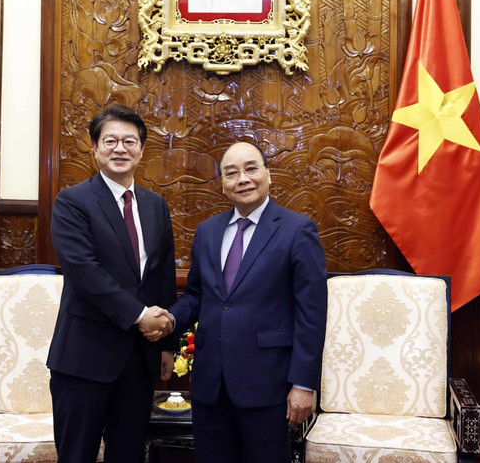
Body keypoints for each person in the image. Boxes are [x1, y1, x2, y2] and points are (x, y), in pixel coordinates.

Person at [165, 141, 328, 463]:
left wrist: (304, 384)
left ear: (268, 175)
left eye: (251, 168)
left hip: (268, 384)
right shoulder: (208, 231)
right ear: (222, 184)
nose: (243, 179)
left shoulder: (297, 230)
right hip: (210, 384)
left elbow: (312, 314)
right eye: (231, 173)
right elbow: (196, 295)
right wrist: (169, 321)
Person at [47, 104, 176, 463]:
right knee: (77, 455)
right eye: (111, 141)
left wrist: (167, 344)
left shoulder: (155, 205)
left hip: (138, 360)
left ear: (141, 150)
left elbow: (162, 276)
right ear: (95, 148)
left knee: (129, 455)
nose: (120, 149)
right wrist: (139, 315)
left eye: (129, 141)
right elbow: (84, 271)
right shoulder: (73, 201)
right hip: (84, 357)